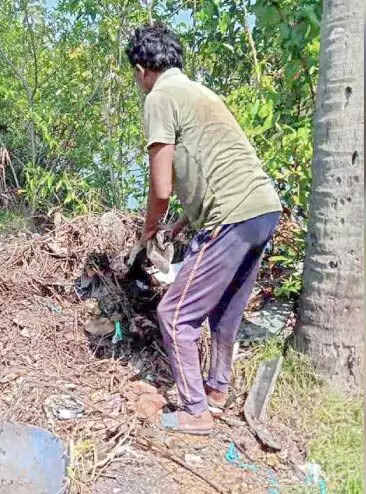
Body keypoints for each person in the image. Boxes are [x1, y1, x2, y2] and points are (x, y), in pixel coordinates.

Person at [126, 23, 283, 435]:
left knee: (174, 315)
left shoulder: (159, 97)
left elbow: (161, 188)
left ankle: (195, 411)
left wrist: (148, 233)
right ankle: (216, 390)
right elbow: (213, 168)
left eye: (137, 76)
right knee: (226, 308)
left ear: (142, 69)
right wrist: (181, 224)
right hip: (263, 209)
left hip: (231, 215)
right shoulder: (201, 92)